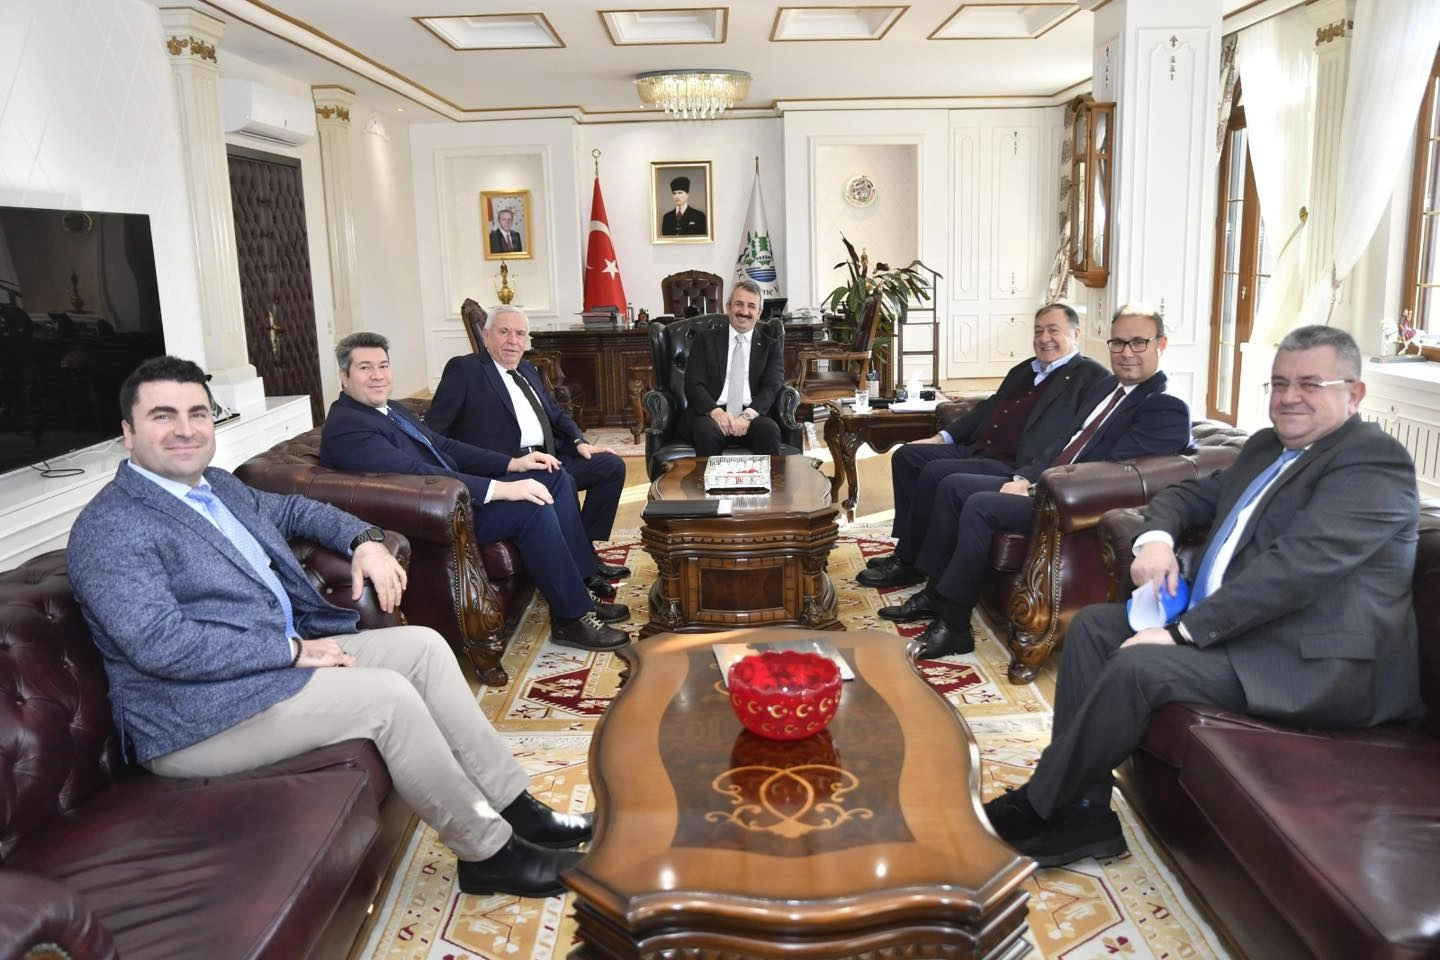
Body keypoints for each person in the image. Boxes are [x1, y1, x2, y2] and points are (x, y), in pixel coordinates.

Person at [67, 356, 593, 900]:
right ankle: (489, 854)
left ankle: (516, 808)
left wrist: (365, 540)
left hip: (273, 669)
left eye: (197, 413)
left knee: (423, 647)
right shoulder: (112, 526)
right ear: (128, 433)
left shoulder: (217, 487)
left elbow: (299, 511)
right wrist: (291, 651)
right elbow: (161, 645)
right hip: (199, 714)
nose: (185, 429)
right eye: (163, 416)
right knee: (387, 697)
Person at [984, 325, 1424, 867]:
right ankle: (1084, 812)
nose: (1289, 397)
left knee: (1139, 667)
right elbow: (1187, 496)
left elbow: (1295, 570)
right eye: (1279, 383)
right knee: (1095, 627)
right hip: (1246, 635)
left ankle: (1039, 801)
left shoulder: (1374, 462)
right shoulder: (1266, 446)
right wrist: (1155, 538)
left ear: (1353, 394)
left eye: (1310, 383)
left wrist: (1180, 634)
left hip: (1314, 662)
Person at [880, 305, 1192, 658]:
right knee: (953, 487)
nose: (1126, 353)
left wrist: (1036, 488)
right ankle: (936, 593)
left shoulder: (1165, 406)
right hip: (1049, 481)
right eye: (1118, 343)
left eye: (1138, 343)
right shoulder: (1109, 386)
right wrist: (1026, 476)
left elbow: (1114, 475)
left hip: (1073, 499)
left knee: (980, 506)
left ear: (1161, 345)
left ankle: (954, 626)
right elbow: (1064, 441)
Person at [318, 332, 628, 651]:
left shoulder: (390, 409)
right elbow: (416, 474)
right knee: (530, 507)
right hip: (436, 517)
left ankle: (580, 584)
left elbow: (444, 445)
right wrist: (500, 489)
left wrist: (513, 464)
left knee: (552, 475)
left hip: (455, 496)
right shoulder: (347, 427)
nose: (378, 375)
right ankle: (571, 619)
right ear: (344, 376)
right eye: (365, 368)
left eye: (383, 365)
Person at [858, 303, 1108, 588]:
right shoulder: (1024, 369)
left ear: (1076, 334)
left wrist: (1030, 477)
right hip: (978, 448)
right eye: (1038, 331)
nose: (1044, 338)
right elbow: (987, 408)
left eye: (1053, 330)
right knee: (907, 456)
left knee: (936, 473)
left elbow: (1078, 438)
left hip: (1014, 463)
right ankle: (910, 547)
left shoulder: (1091, 377)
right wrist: (941, 437)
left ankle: (909, 562)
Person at [427, 304, 629, 599]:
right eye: (504, 332)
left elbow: (555, 413)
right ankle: (583, 574)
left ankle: (583, 549)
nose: (513, 341)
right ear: (486, 336)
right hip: (507, 468)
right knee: (561, 480)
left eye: (520, 334)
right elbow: (434, 433)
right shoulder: (466, 369)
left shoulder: (527, 369)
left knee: (610, 466)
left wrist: (579, 442)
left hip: (547, 456)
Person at [684, 279, 783, 456]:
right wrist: (716, 413)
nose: (744, 311)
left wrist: (747, 416)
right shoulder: (705, 340)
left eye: (751, 306)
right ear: (728, 307)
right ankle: (710, 476)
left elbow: (772, 386)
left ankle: (768, 476)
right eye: (739, 304)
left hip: (752, 414)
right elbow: (693, 383)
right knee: (705, 432)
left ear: (759, 313)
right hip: (713, 413)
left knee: (769, 430)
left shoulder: (771, 346)